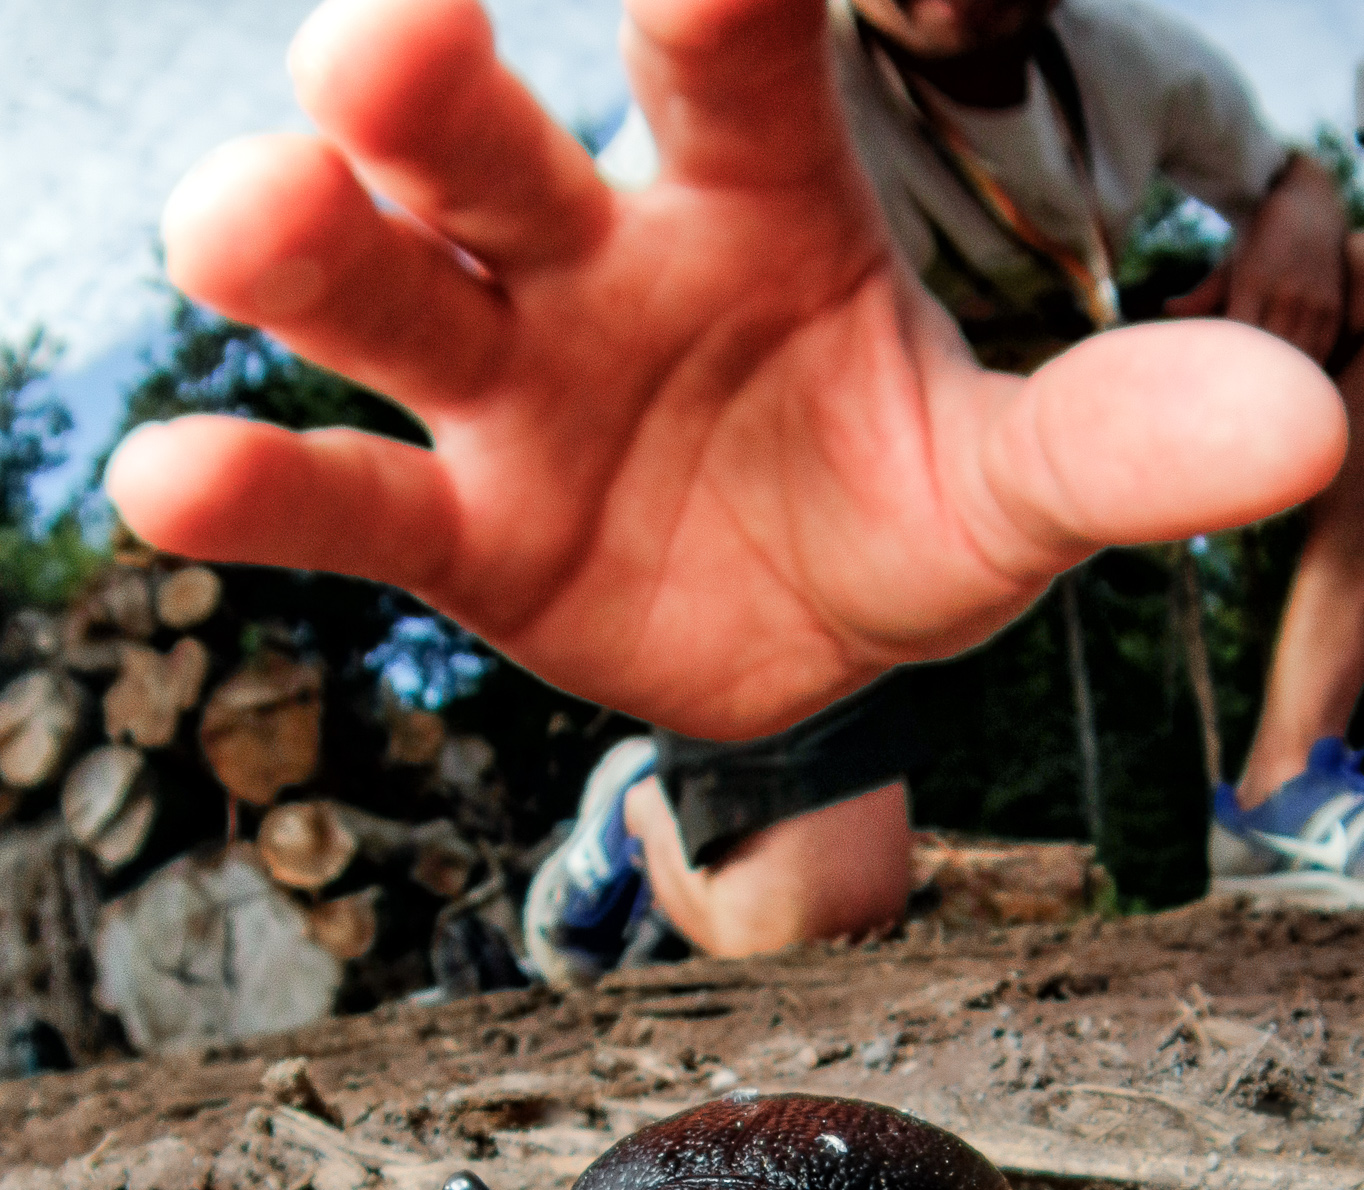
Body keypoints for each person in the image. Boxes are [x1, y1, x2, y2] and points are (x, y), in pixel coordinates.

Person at [103, 0, 1349, 975]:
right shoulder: (748, 96)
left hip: (1030, 426)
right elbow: (608, 288)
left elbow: (1281, 168)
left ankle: (1282, 786)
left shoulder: (1134, 57)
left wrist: (1300, 207)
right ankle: (642, 815)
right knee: (810, 919)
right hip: (772, 512)